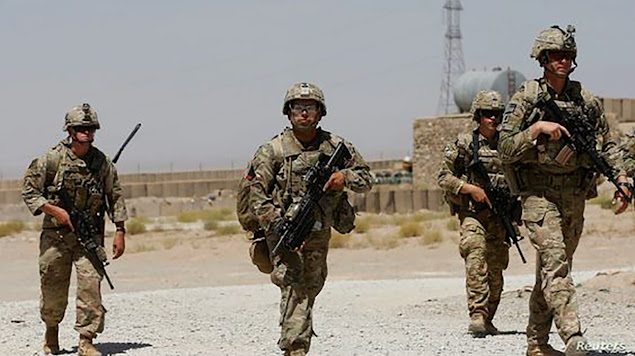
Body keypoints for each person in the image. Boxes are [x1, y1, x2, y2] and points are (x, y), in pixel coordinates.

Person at [498, 25, 630, 356]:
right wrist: (536, 129)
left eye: (569, 56)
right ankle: (574, 336)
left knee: (555, 267)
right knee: (555, 263)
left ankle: (537, 344)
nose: (563, 61)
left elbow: (606, 144)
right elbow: (504, 148)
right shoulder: (528, 98)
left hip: (573, 195)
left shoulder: (585, 100)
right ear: (542, 59)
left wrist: (622, 179)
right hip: (538, 195)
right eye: (556, 55)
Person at [246, 82, 372, 355]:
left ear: (320, 112)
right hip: (285, 230)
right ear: (288, 112)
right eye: (298, 107)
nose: (304, 113)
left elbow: (366, 179)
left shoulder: (337, 146)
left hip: (319, 230)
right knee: (294, 286)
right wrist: (280, 228)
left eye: (311, 108)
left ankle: (297, 337)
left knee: (312, 286)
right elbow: (257, 197)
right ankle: (295, 348)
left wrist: (343, 177)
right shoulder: (272, 151)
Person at [22, 103, 128, 356]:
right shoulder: (51, 159)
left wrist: (120, 230)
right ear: (70, 130)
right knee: (53, 286)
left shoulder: (101, 163)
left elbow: (115, 196)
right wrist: (55, 210)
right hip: (56, 237)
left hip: (89, 237)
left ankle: (86, 339)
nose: (87, 132)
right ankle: (51, 330)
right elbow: (29, 191)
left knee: (91, 286)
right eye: (81, 128)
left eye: (91, 128)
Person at [438, 90, 512, 337]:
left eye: (497, 114)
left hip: (500, 217)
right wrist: (468, 188)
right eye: (488, 114)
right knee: (475, 255)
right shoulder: (464, 144)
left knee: (497, 267)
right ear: (478, 116)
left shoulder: (507, 144)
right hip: (473, 214)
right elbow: (443, 177)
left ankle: (489, 316)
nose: (493, 118)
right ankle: (477, 314)